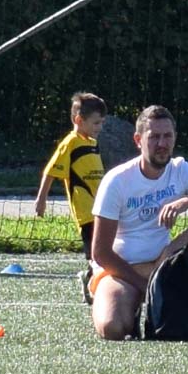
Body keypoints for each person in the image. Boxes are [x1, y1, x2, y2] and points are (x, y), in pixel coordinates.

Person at [88, 105, 188, 342]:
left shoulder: (180, 169)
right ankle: (131, 308)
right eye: (154, 137)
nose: (162, 143)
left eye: (167, 136)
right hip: (122, 271)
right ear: (138, 140)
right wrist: (146, 286)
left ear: (175, 138)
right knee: (113, 328)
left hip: (164, 262)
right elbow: (100, 252)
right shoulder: (117, 180)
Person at [34, 91, 107, 304]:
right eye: (96, 123)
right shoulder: (71, 143)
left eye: (102, 123)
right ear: (78, 120)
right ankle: (94, 288)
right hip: (86, 212)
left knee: (105, 252)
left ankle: (89, 278)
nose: (100, 128)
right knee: (96, 255)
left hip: (102, 209)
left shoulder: (92, 142)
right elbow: (50, 171)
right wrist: (41, 199)